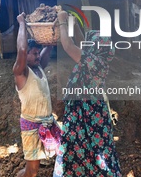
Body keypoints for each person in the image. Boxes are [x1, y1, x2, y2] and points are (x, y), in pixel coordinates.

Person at [54, 11, 122, 177]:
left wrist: (62, 22)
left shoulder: (96, 63)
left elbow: (69, 46)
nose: (88, 45)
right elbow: (82, 43)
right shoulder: (94, 58)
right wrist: (75, 24)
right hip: (85, 112)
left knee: (93, 151)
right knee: (84, 150)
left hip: (90, 116)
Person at [13, 12, 61, 177]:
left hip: (47, 124)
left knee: (33, 168)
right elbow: (21, 48)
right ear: (25, 56)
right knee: (33, 171)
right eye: (33, 53)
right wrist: (21, 24)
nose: (37, 56)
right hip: (32, 128)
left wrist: (53, 24)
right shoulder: (21, 73)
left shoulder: (39, 67)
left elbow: (49, 45)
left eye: (37, 53)